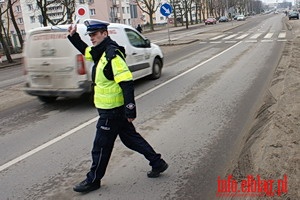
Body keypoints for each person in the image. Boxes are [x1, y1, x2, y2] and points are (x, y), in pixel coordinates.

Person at [67, 19, 168, 193]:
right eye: (90, 35)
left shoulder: (112, 55)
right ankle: (157, 163)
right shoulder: (99, 51)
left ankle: (93, 180)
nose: (91, 38)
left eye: (94, 35)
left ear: (104, 34)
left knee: (100, 147)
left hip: (112, 111)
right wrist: (73, 36)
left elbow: (127, 82)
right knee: (131, 139)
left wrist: (130, 108)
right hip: (112, 110)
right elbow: (86, 51)